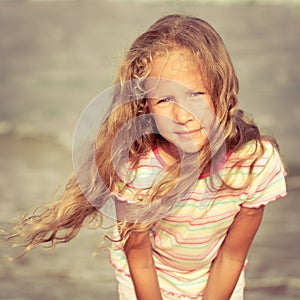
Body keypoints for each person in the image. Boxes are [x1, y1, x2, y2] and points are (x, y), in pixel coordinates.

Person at [2, 14, 287, 300]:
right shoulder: (136, 169)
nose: (182, 116)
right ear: (144, 106)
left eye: (195, 94)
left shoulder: (253, 164)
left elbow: (232, 257)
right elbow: (138, 255)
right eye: (165, 100)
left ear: (221, 91)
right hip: (148, 278)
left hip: (220, 277)